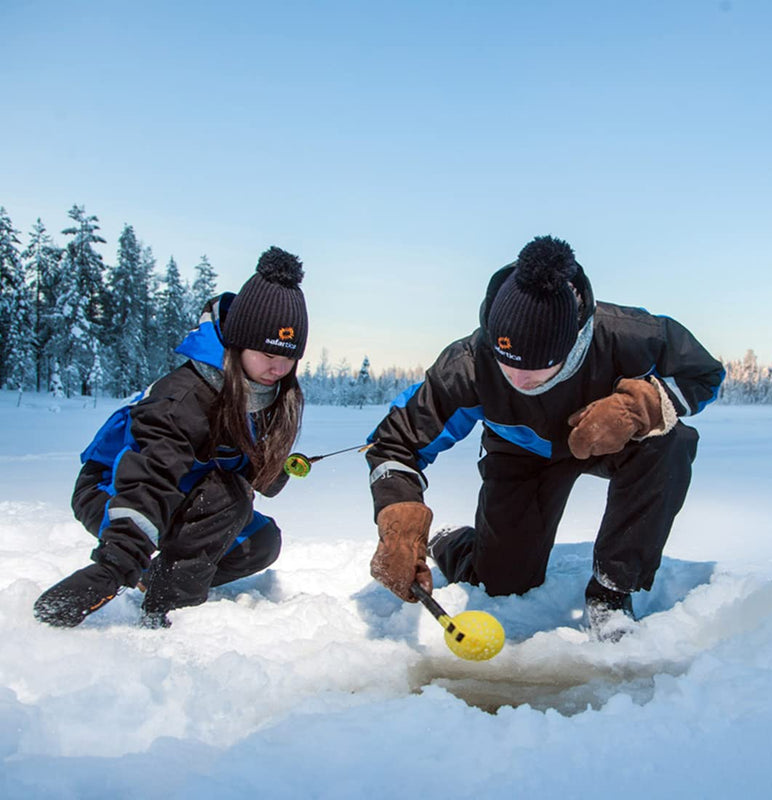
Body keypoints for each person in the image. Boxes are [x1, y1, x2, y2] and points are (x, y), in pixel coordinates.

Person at [366, 235, 724, 640]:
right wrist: (398, 520)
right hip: (521, 454)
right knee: (503, 582)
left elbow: (704, 374)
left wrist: (636, 408)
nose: (518, 380)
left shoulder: (628, 335)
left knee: (670, 443)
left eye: (538, 368)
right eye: (506, 362)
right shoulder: (467, 365)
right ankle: (456, 543)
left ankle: (612, 592)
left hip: (609, 441)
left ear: (573, 343)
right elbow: (394, 444)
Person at [34, 246, 308, 628]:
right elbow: (150, 476)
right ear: (237, 342)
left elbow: (231, 459)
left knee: (259, 543)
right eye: (266, 353)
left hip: (185, 492)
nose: (278, 367)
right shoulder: (181, 399)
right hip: (115, 491)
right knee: (228, 497)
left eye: (289, 357)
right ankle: (169, 611)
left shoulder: (259, 391)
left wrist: (271, 467)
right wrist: (117, 563)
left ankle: (156, 580)